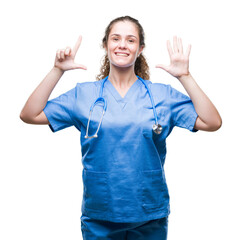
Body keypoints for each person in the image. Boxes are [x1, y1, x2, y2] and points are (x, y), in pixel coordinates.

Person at [20, 16, 222, 240]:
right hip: (100, 214)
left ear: (140, 49)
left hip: (149, 214)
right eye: (115, 38)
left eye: (131, 40)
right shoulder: (83, 94)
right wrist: (57, 70)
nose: (123, 45)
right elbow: (30, 114)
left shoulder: (162, 95)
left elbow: (212, 122)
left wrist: (185, 76)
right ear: (106, 45)